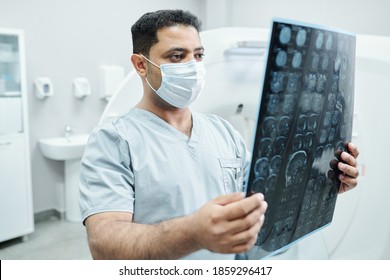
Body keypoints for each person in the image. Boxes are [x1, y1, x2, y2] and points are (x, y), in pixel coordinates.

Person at [79, 9, 359, 260]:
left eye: (198, 55)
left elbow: (262, 200)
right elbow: (104, 245)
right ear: (141, 65)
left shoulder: (222, 131)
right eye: (177, 56)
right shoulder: (114, 139)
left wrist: (325, 180)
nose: (193, 66)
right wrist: (193, 233)